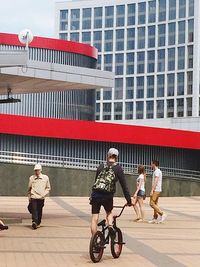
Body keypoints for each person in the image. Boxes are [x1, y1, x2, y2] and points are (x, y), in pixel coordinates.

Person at [90, 148, 132, 236]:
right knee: (109, 212)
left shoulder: (101, 166)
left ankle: (94, 241)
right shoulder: (118, 168)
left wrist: (92, 195)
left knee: (94, 218)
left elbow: (96, 182)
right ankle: (110, 225)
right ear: (116, 157)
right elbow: (124, 186)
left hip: (96, 195)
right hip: (107, 196)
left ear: (107, 156)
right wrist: (129, 201)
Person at [27, 164, 51, 229]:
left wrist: (44, 194)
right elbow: (29, 188)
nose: (36, 172)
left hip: (41, 197)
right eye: (35, 170)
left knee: (39, 210)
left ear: (41, 170)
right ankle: (34, 222)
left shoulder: (45, 178)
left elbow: (48, 188)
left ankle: (38, 222)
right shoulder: (31, 178)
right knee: (34, 210)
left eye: (38, 170)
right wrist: (29, 197)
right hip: (33, 197)